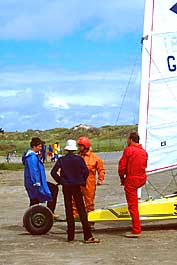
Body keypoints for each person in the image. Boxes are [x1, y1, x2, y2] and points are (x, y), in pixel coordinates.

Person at [51, 139, 100, 243]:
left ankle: (70, 236)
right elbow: (86, 171)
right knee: (82, 210)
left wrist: (61, 181)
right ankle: (87, 235)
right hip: (77, 186)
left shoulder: (62, 160)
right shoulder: (79, 159)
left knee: (69, 210)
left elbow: (53, 172)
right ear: (74, 149)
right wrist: (81, 180)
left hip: (66, 187)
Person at [118, 132, 148, 238]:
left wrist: (122, 178)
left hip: (132, 180)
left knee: (133, 206)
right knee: (134, 203)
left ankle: (136, 230)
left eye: (128, 139)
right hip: (142, 179)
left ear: (131, 139)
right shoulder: (144, 152)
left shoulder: (129, 150)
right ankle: (136, 226)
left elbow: (121, 167)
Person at [73, 136, 105, 229]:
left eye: (80, 146)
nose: (79, 148)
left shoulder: (95, 158)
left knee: (89, 203)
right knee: (74, 201)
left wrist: (100, 179)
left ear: (85, 146)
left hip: (89, 183)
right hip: (78, 183)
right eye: (78, 146)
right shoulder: (77, 157)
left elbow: (101, 169)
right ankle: (74, 218)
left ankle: (90, 222)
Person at [22, 137, 59, 219]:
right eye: (39, 146)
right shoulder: (31, 157)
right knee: (53, 189)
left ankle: (30, 218)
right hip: (34, 183)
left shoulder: (32, 156)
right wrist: (36, 182)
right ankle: (49, 212)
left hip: (34, 182)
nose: (41, 148)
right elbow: (33, 170)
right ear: (34, 146)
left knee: (34, 200)